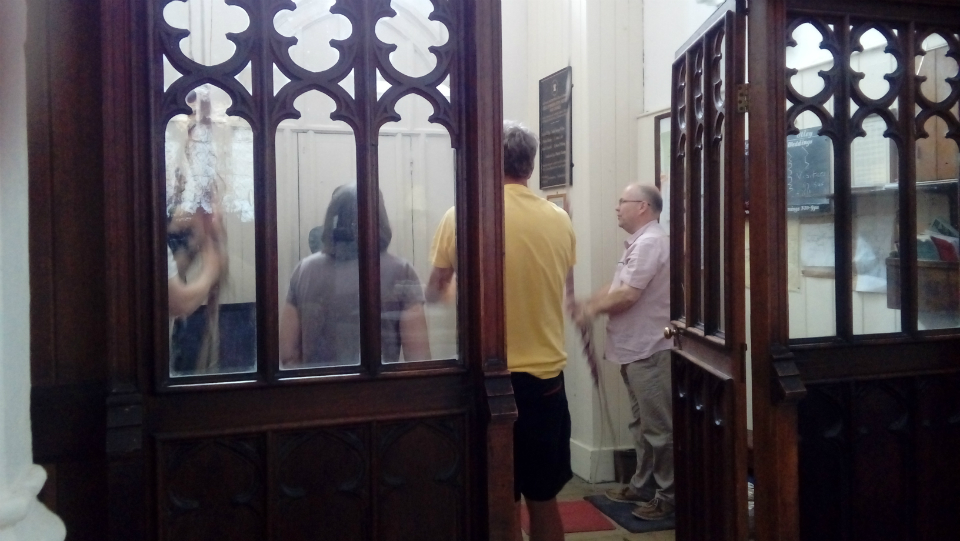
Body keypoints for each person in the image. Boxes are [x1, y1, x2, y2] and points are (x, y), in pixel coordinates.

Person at [426, 121, 576, 541]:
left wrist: (458, 291)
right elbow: (559, 285)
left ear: (488, 159)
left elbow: (434, 290)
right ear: (531, 165)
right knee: (544, 497)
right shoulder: (559, 219)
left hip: (488, 375)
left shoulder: (462, 215)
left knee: (499, 497)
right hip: (545, 375)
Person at [575, 183, 674, 521]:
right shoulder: (639, 242)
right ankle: (642, 485)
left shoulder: (650, 243)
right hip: (635, 348)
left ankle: (668, 496)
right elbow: (618, 286)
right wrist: (589, 302)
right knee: (642, 424)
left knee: (658, 428)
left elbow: (628, 296)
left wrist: (591, 310)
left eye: (622, 201)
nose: (617, 207)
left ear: (643, 206)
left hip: (650, 349)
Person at [279, 184, 430, 368]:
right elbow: (418, 359)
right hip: (379, 385)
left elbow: (288, 356)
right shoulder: (402, 272)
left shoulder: (304, 271)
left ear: (332, 218)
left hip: (317, 385)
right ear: (380, 218)